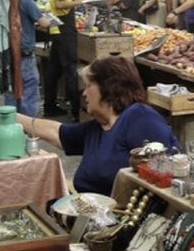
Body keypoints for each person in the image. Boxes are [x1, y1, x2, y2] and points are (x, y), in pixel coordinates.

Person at [17, 55, 178, 196]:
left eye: (88, 86)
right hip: (90, 212)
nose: (84, 93)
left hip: (123, 220)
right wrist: (10, 117)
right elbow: (56, 132)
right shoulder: (98, 127)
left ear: (108, 86)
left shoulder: (140, 117)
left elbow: (166, 174)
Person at [43, 0, 86, 120]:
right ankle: (76, 112)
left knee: (54, 70)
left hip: (60, 27)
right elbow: (60, 4)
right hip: (62, 28)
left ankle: (49, 106)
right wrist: (80, 1)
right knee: (70, 69)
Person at [5, 0, 51, 117]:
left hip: (7, 51)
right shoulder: (26, 1)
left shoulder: (5, 1)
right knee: (29, 87)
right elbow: (44, 23)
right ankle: (29, 125)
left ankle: (11, 122)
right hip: (24, 52)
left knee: (11, 88)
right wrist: (49, 20)